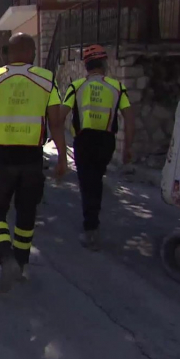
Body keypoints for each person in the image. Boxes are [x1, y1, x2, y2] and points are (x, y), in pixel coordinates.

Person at [0, 33, 68, 294]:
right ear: (32, 52)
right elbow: (56, 123)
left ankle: (6, 256)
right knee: (26, 213)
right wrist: (63, 157)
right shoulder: (46, 80)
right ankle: (21, 264)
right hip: (32, 158)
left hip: (2, 157)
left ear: (8, 54)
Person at [60, 44, 134, 251]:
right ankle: (92, 221)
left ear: (86, 65)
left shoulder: (76, 86)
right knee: (96, 179)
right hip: (106, 142)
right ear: (104, 64)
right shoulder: (117, 87)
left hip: (84, 141)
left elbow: (60, 115)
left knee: (87, 183)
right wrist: (127, 148)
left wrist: (55, 136)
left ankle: (91, 228)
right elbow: (129, 117)